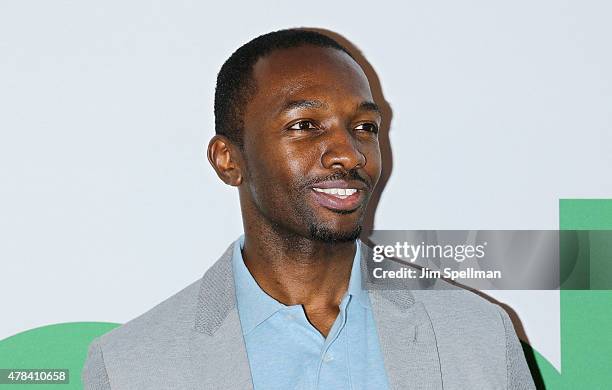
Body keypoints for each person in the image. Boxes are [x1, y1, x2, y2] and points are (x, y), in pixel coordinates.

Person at [82, 28, 535, 389]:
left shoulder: (478, 334)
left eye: (363, 127)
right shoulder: (130, 368)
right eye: (305, 125)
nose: (349, 154)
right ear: (229, 160)